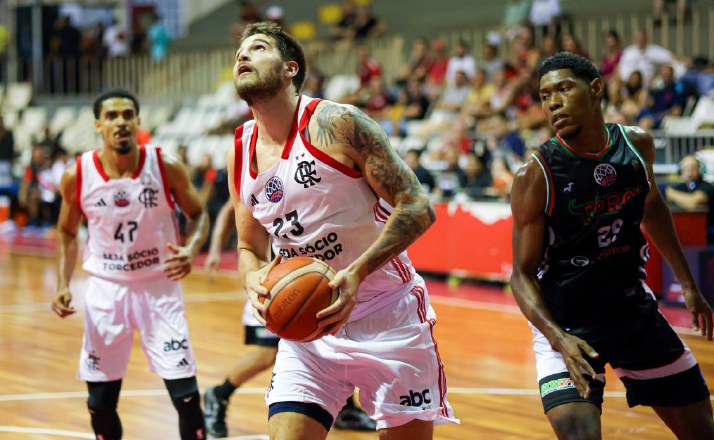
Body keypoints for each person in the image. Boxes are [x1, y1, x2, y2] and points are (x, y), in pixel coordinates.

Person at [228, 21, 456, 439]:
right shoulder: (240, 148)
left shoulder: (337, 124)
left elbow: (418, 207)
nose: (243, 56)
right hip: (309, 328)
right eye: (239, 52)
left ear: (290, 68)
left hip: (387, 315)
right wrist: (253, 279)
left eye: (257, 48)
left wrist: (358, 273)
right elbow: (248, 243)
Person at [510, 52, 714, 440]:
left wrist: (689, 285)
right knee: (580, 436)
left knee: (704, 434)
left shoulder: (636, 145)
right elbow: (520, 275)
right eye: (544, 95)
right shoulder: (535, 174)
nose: (552, 102)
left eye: (563, 89)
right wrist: (559, 338)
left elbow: (653, 208)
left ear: (595, 88)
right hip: (567, 322)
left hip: (630, 312)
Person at [51, 89, 210, 440]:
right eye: (112, 116)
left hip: (159, 286)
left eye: (127, 115)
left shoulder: (164, 166)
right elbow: (65, 232)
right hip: (107, 290)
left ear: (138, 121)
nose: (120, 122)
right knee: (100, 402)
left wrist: (192, 249)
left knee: (185, 397)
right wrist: (63, 284)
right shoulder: (77, 174)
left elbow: (199, 214)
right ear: (98, 125)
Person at [202, 200, 377, 437]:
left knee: (329, 338)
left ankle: (345, 409)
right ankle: (220, 394)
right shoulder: (259, 182)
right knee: (268, 354)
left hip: (306, 282)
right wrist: (215, 248)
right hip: (276, 288)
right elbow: (228, 212)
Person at [665, 155, 714, 230]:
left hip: (706, 226)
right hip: (685, 226)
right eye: (686, 169)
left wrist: (673, 195)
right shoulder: (678, 187)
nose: (689, 173)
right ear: (681, 171)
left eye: (693, 168)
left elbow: (693, 203)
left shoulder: (707, 187)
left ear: (700, 170)